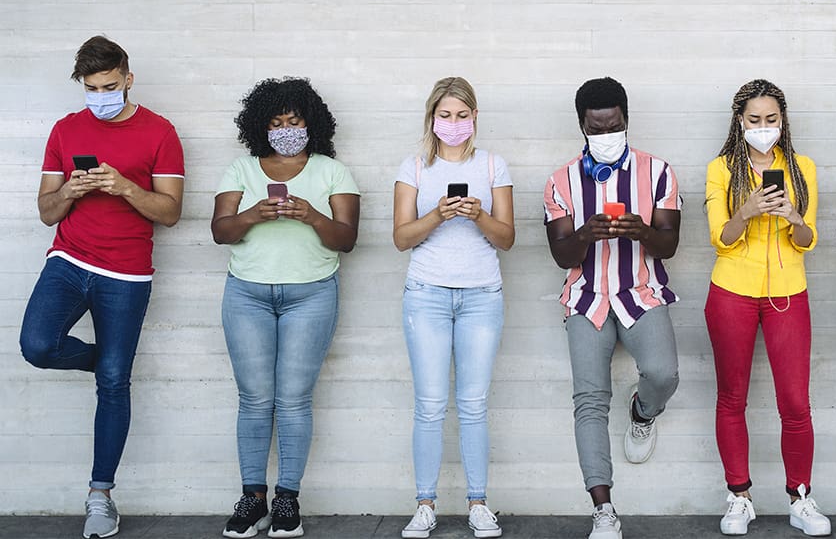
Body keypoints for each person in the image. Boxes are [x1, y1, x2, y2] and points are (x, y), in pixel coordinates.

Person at [18, 36, 185, 539]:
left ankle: (100, 497)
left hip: (127, 272)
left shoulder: (160, 131)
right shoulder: (66, 130)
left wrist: (126, 188)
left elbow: (171, 213)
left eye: (109, 86)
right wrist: (69, 189)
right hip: (68, 260)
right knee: (38, 345)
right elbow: (46, 210)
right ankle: (107, 359)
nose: (100, 95)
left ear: (128, 78)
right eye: (90, 88)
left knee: (114, 385)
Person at [212, 77, 360, 539]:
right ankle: (252, 497)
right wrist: (253, 214)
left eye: (293, 121)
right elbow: (221, 231)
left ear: (311, 122)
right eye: (276, 123)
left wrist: (311, 215)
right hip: (247, 294)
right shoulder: (241, 168)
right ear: (261, 126)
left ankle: (287, 500)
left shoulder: (332, 171)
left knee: (293, 399)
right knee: (254, 399)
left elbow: (347, 239)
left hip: (312, 294)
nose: (285, 130)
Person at [543, 77, 681, 539]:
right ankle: (603, 508)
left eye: (614, 126)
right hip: (586, 300)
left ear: (626, 119)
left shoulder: (658, 172)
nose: (606, 134)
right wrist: (587, 234)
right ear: (582, 126)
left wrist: (641, 231)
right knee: (589, 400)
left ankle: (642, 413)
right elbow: (563, 256)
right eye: (596, 128)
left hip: (641, 293)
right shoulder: (560, 181)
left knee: (664, 374)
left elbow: (669, 246)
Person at [704, 79, 829, 537]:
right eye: (754, 120)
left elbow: (807, 240)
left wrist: (794, 217)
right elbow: (722, 237)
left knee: (795, 401)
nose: (763, 127)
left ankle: (800, 497)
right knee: (731, 396)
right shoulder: (721, 169)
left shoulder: (802, 167)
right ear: (740, 122)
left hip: (788, 293)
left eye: (771, 120)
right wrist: (749, 209)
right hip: (732, 290)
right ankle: (739, 496)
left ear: (783, 121)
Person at [393, 77, 514, 539]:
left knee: (474, 403)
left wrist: (479, 214)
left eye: (462, 115)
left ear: (475, 117)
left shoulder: (493, 165)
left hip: (482, 295)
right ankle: (424, 504)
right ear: (432, 118)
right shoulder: (414, 168)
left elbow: (506, 238)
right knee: (428, 405)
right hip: (426, 294)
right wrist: (437, 215)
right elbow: (401, 238)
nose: (454, 123)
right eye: (445, 115)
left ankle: (478, 504)